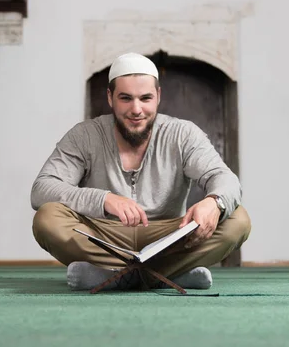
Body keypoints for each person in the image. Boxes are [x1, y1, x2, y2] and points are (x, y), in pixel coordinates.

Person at [30, 53, 251, 291]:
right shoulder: (84, 135)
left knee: (238, 219)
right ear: (110, 98)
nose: (136, 110)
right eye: (125, 98)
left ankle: (110, 276)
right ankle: (167, 275)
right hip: (105, 236)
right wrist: (104, 199)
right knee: (47, 218)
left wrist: (214, 202)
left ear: (158, 97)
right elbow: (42, 189)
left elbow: (224, 178)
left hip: (169, 238)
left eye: (145, 98)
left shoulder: (183, 134)